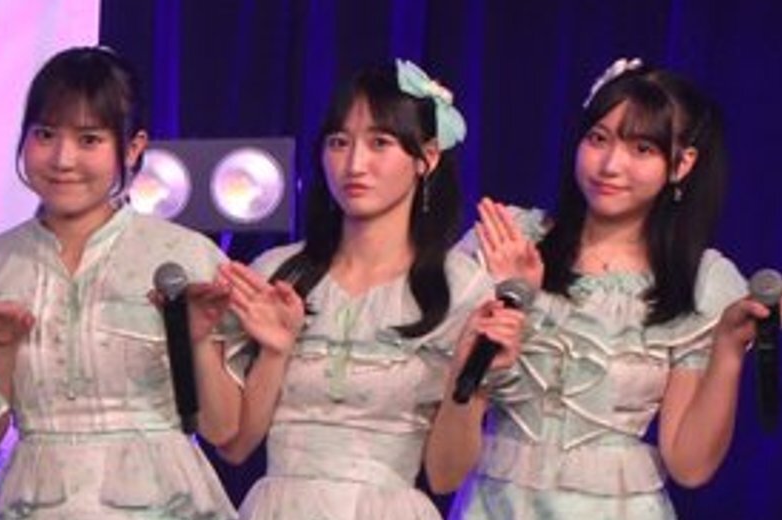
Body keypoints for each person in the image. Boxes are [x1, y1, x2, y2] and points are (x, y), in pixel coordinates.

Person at [441, 58, 771, 519]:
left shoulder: (699, 283)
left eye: (642, 149)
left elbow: (690, 465)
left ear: (682, 164)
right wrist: (504, 295)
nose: (611, 165)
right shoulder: (511, 240)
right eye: (598, 139)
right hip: (495, 505)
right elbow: (440, 437)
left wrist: (728, 350)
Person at [213, 59, 518, 520]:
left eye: (380, 143)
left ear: (427, 157)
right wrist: (266, 351)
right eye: (339, 142)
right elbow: (235, 446)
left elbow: (445, 476)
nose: (354, 164)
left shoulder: (460, 288)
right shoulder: (277, 272)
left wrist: (465, 378)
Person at [0, 47, 240, 519]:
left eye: (89, 139)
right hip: (36, 498)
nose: (62, 158)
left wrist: (194, 339)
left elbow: (224, 429)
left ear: (133, 147)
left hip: (162, 498)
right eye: (45, 134)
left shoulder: (186, 257)